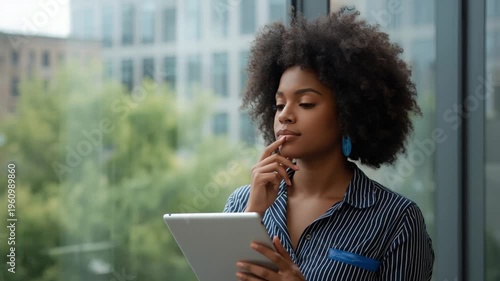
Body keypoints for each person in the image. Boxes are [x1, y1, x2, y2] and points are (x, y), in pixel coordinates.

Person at [223, 11, 434, 281]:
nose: (285, 115)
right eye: (279, 104)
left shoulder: (397, 219)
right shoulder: (242, 202)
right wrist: (252, 216)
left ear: (348, 114)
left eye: (306, 103)